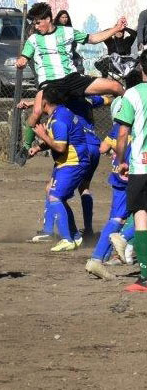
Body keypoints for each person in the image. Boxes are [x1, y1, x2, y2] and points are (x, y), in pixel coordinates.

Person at [16, 2, 125, 154]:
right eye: (34, 23)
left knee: (115, 86)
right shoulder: (33, 39)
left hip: (72, 78)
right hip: (50, 83)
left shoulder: (67, 32)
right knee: (36, 112)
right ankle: (25, 147)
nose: (35, 26)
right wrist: (21, 61)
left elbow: (92, 38)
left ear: (48, 19)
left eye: (38, 22)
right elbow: (24, 57)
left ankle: (131, 115)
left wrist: (116, 29)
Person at [28, 86, 90, 253]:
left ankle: (66, 239)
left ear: (45, 102)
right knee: (52, 192)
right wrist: (38, 148)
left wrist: (42, 135)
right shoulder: (59, 112)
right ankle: (75, 236)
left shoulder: (59, 119)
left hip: (72, 162)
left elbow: (61, 147)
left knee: (55, 196)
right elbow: (57, 138)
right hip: (66, 162)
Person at [86, 88, 135, 280]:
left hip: (118, 174)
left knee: (116, 218)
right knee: (142, 214)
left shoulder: (118, 125)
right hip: (134, 170)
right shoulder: (140, 121)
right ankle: (123, 238)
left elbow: (103, 147)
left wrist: (118, 152)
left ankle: (97, 259)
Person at [114, 50, 147, 292]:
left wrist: (120, 159)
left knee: (142, 216)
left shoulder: (132, 95)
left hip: (141, 165)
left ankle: (145, 277)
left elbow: (123, 132)